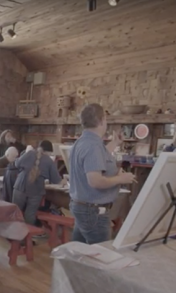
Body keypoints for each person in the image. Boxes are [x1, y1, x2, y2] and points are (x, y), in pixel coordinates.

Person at [69, 104, 136, 244]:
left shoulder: (83, 142)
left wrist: (115, 143)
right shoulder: (93, 145)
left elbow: (99, 157)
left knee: (78, 252)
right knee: (100, 255)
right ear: (101, 120)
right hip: (93, 212)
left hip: (84, 208)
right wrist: (120, 178)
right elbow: (95, 181)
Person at [13, 140, 62, 226]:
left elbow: (16, 164)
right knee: (30, 214)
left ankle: (13, 235)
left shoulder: (29, 153)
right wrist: (64, 180)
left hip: (20, 186)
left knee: (16, 212)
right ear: (48, 151)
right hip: (36, 190)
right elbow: (57, 180)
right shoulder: (49, 161)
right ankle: (28, 235)